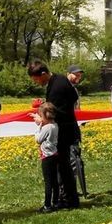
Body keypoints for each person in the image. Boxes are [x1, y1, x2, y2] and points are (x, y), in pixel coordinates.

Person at [27, 60, 80, 209]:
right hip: (67, 129)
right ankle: (66, 199)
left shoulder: (56, 86)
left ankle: (68, 200)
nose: (36, 82)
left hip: (62, 132)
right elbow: (73, 99)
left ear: (43, 74)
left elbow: (54, 112)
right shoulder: (60, 79)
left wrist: (41, 119)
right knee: (64, 167)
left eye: (36, 79)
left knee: (64, 168)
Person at [65, 65, 89, 197]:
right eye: (76, 75)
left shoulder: (75, 90)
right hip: (68, 128)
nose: (78, 77)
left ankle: (73, 188)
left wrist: (83, 118)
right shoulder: (65, 88)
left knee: (76, 158)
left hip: (76, 127)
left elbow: (77, 109)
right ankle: (70, 190)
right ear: (68, 74)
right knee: (72, 159)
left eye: (80, 75)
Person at [33, 102, 60, 212]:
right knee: (54, 181)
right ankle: (55, 202)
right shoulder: (55, 125)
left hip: (47, 157)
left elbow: (38, 140)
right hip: (54, 155)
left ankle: (47, 205)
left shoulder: (46, 127)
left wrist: (38, 126)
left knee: (48, 182)